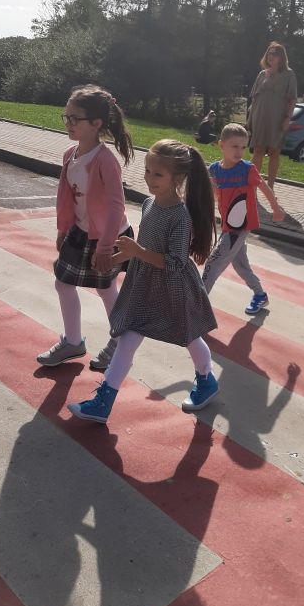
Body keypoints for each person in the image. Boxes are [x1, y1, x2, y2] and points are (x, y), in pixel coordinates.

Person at [67, 139, 219, 424]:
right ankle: (103, 403)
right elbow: (142, 248)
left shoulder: (180, 216)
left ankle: (206, 379)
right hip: (144, 287)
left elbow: (175, 262)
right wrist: (115, 259)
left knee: (189, 336)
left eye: (157, 174)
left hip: (173, 288)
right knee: (127, 340)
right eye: (147, 171)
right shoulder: (149, 204)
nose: (149, 179)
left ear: (178, 178)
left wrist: (137, 251)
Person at [36, 85, 134, 371]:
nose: (68, 123)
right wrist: (62, 230)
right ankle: (73, 342)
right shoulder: (71, 154)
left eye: (74, 119)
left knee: (105, 288)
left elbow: (116, 206)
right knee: (63, 282)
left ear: (96, 123)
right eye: (66, 117)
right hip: (80, 232)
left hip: (108, 236)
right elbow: (66, 197)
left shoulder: (104, 160)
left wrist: (105, 248)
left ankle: (120, 341)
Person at [202, 123, 285, 314]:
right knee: (240, 265)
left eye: (243, 147)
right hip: (227, 225)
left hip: (239, 227)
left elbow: (264, 188)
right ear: (221, 145)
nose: (239, 151)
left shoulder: (247, 169)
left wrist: (275, 208)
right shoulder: (214, 170)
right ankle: (260, 295)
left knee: (213, 263)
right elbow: (210, 194)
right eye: (234, 146)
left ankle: (195, 306)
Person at [247, 41, 297, 190]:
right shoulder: (262, 74)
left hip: (277, 119)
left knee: (274, 151)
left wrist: (287, 118)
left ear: (281, 57)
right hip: (259, 117)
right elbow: (254, 98)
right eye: (269, 53)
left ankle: (270, 187)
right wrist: (250, 118)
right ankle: (252, 188)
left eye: (275, 54)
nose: (271, 56)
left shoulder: (289, 75)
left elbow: (292, 99)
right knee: (258, 150)